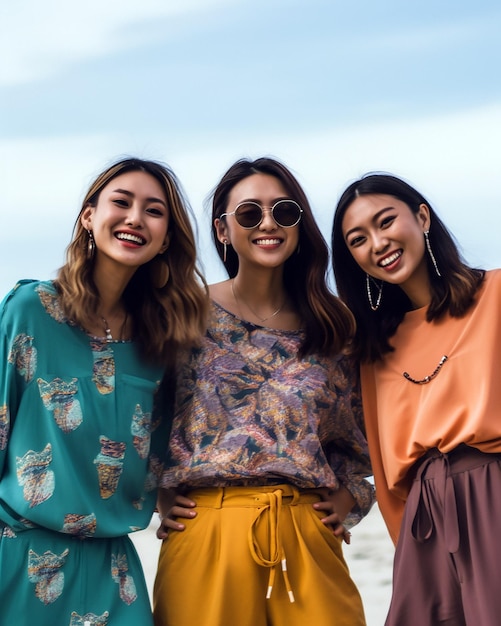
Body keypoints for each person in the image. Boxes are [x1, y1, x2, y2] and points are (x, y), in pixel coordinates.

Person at [153, 157, 374, 626]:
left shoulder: (335, 327)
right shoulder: (183, 315)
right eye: (250, 213)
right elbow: (137, 413)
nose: (268, 223)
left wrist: (347, 498)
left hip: (305, 536)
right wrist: (154, 493)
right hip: (205, 532)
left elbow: (360, 439)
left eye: (284, 211)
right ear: (222, 229)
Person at [0, 157, 208, 626]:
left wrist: (169, 494)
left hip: (115, 572)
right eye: (121, 202)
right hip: (17, 554)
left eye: (154, 211)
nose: (136, 217)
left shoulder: (164, 340)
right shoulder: (30, 309)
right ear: (88, 217)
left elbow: (161, 448)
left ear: (165, 240)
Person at [331, 172, 501, 625]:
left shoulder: (497, 294)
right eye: (358, 239)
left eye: (386, 222)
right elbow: (387, 476)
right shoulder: (373, 348)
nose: (378, 243)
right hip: (421, 526)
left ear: (422, 217)